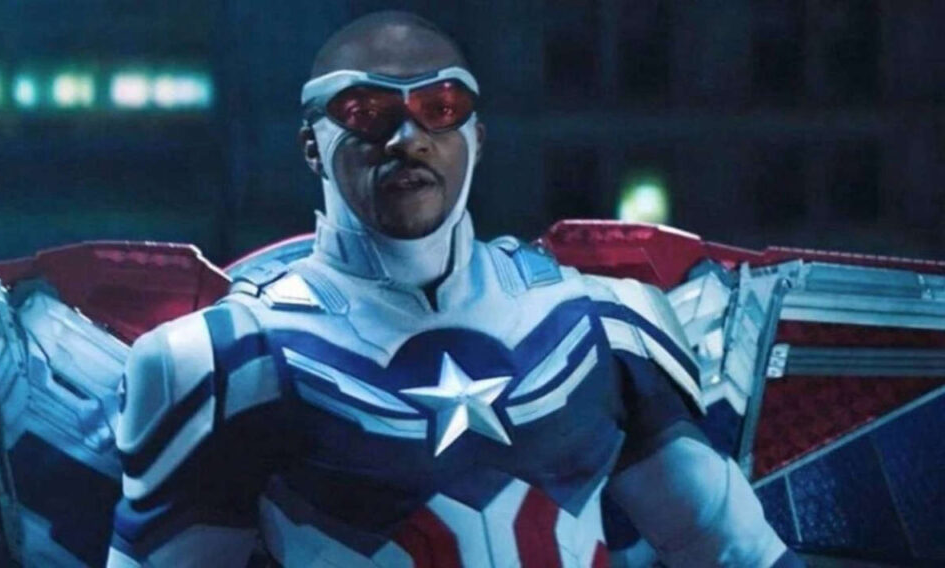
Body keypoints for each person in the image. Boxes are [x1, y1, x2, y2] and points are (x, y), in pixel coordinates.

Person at [106, 11, 802, 568]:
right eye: (366, 111)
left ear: (477, 135)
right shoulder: (224, 362)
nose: (408, 138)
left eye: (440, 106)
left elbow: (733, 550)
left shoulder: (602, 326)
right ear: (313, 145)